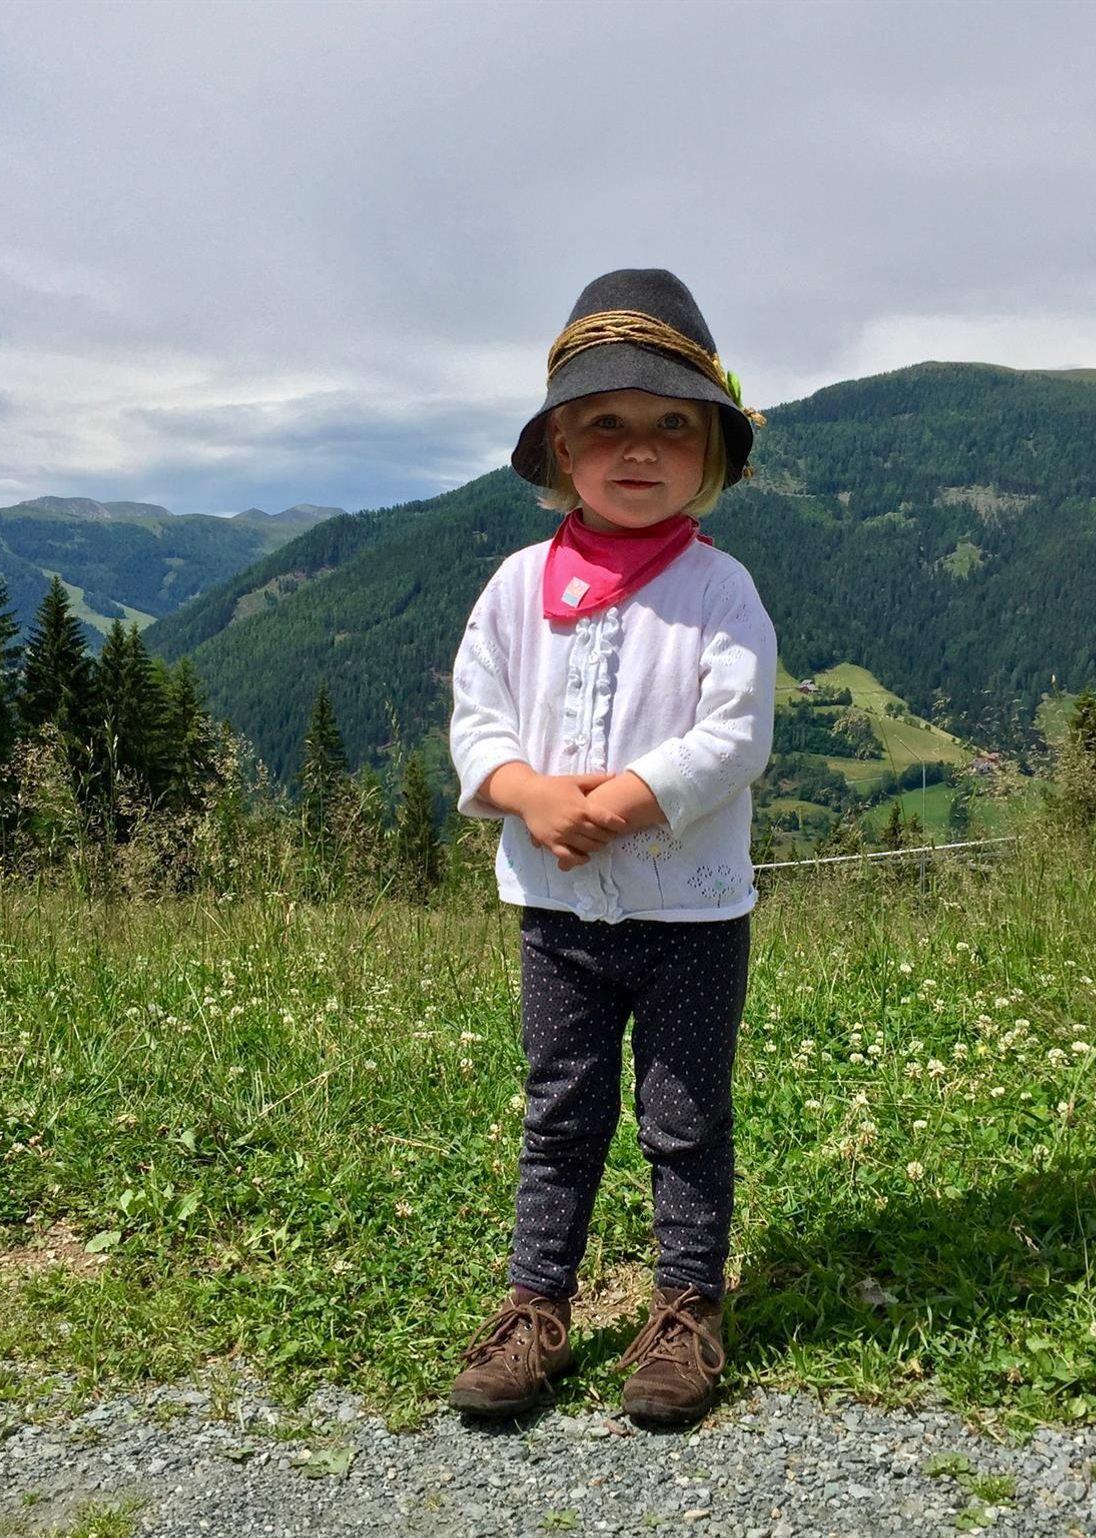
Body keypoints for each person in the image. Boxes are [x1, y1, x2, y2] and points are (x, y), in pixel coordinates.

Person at [445, 268, 777, 1426]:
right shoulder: (513, 588)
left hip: (690, 915)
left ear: (711, 449)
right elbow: (476, 718)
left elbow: (734, 732)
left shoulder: (720, 589)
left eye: (671, 425)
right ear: (559, 447)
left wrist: (628, 798)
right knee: (560, 1109)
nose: (638, 449)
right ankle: (535, 1303)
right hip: (557, 914)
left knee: (683, 1115)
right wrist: (526, 793)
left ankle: (685, 1307)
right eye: (605, 424)